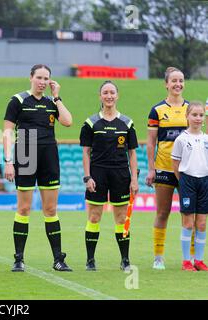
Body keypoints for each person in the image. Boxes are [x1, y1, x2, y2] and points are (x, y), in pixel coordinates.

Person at [3, 64, 73, 272]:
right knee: (23, 208)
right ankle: (18, 259)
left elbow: (68, 122)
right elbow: (7, 131)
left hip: (49, 156)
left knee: (50, 209)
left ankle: (58, 259)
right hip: (25, 156)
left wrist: (57, 97)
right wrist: (8, 161)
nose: (42, 82)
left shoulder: (52, 102)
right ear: (31, 78)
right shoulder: (17, 101)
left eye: (46, 78)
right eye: (39, 78)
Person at [79, 80, 139, 271]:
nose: (109, 96)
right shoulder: (91, 123)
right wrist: (88, 177)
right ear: (100, 96)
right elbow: (86, 152)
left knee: (121, 218)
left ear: (117, 95)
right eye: (105, 93)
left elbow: (132, 153)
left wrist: (134, 179)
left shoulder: (127, 123)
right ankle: (90, 260)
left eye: (112, 92)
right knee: (95, 216)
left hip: (121, 174)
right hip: (98, 173)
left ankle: (125, 260)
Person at [146, 67, 190, 270]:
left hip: (188, 170)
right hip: (164, 169)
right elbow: (151, 143)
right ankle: (158, 257)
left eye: (181, 80)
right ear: (166, 84)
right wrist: (151, 168)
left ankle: (189, 259)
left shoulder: (191, 109)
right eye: (174, 81)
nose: (178, 84)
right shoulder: (157, 110)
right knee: (162, 213)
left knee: (189, 214)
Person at [171, 101, 208, 271]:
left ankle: (199, 260)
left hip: (204, 182)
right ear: (187, 116)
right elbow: (175, 163)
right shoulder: (181, 139)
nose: (198, 118)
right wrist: (183, 181)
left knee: (201, 224)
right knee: (188, 223)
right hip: (187, 181)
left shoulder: (206, 139)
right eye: (194, 115)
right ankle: (186, 261)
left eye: (201, 115)